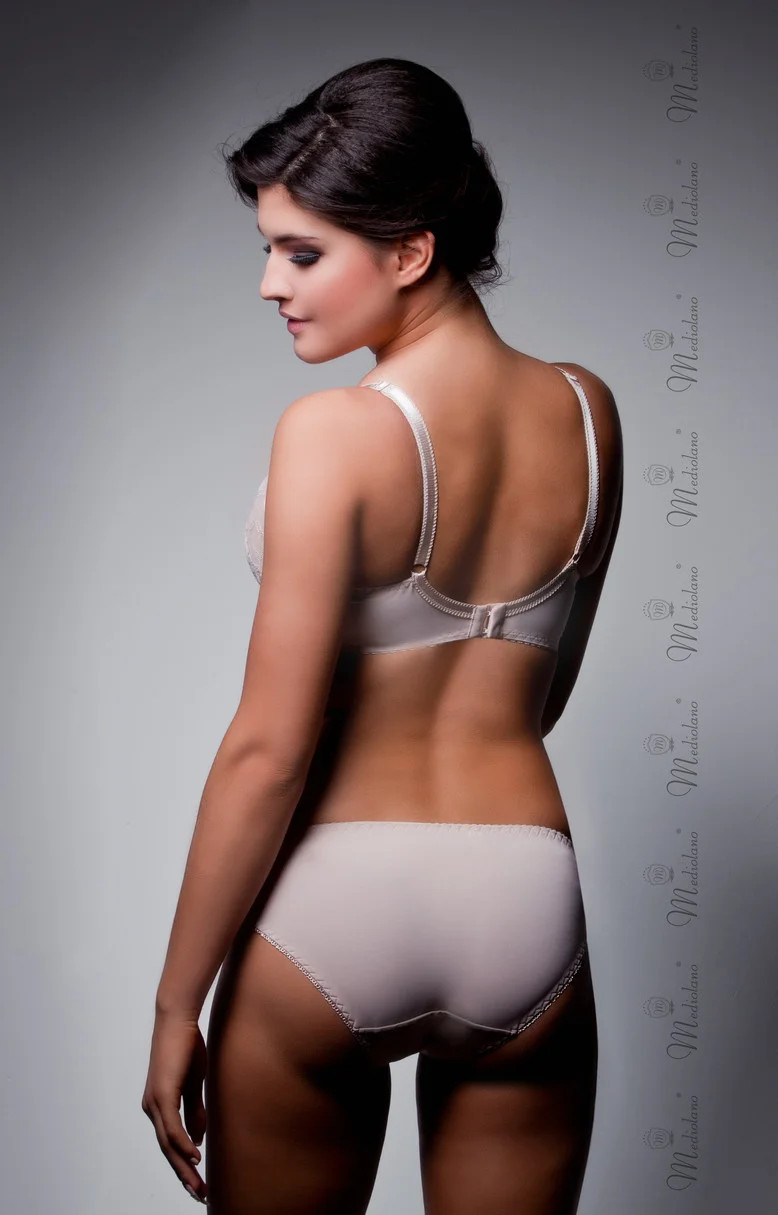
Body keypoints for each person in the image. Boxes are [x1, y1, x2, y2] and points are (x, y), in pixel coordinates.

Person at [141, 56, 623, 1214]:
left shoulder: (336, 433)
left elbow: (270, 750)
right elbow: (544, 696)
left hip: (337, 901)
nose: (269, 283)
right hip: (525, 904)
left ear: (410, 252)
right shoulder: (586, 411)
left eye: (301, 253)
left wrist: (174, 1004)